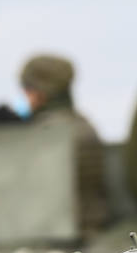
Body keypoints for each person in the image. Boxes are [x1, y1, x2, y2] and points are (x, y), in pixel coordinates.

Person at [20, 53, 110, 234]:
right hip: (95, 230)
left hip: (62, 235)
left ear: (37, 94)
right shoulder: (85, 126)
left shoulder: (44, 135)